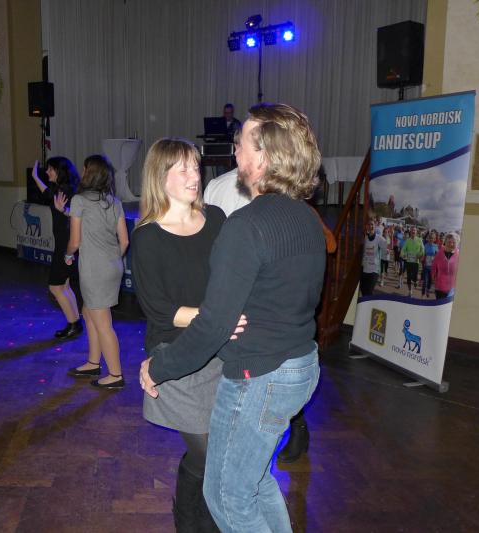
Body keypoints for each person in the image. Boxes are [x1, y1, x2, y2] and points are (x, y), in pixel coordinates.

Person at [140, 103, 326, 532]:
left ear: (262, 156)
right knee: (255, 482)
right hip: (300, 365)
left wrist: (159, 367)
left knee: (227, 497)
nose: (235, 150)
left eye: (241, 143)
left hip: (259, 378)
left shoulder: (244, 225)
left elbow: (213, 325)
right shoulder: (304, 216)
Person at [204, 158, 336, 467]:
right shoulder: (221, 189)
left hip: (266, 337)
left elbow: (328, 244)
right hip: (254, 330)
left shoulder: (286, 203)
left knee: (239, 474)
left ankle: (293, 428)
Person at [132, 138, 232, 531]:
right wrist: (217, 318)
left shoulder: (217, 218)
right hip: (176, 355)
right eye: (183, 169)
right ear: (160, 177)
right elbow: (161, 310)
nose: (195, 176)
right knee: (208, 452)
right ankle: (193, 521)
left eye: (196, 166)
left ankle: (190, 516)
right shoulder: (147, 236)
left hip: (221, 349)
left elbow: (232, 278)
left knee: (216, 451)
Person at [65, 155, 128, 389]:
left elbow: (74, 241)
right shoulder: (114, 202)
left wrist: (67, 255)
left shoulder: (79, 200)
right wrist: (111, 259)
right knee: (88, 312)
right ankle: (93, 362)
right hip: (113, 265)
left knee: (103, 323)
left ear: (88, 172)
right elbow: (124, 241)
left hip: (94, 269)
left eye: (84, 169)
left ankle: (116, 375)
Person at [31, 157, 82, 339]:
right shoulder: (64, 189)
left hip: (65, 246)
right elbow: (47, 194)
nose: (47, 172)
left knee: (55, 287)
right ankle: (75, 323)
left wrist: (64, 211)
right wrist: (35, 177)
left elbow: (74, 215)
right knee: (64, 286)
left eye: (50, 169)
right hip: (65, 243)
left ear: (59, 171)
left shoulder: (65, 191)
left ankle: (73, 324)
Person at [432, 233, 460, 300]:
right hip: (440, 287)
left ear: (457, 244)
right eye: (449, 242)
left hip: (453, 289)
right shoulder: (439, 253)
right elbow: (433, 267)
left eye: (454, 242)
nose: (451, 244)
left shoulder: (459, 255)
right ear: (445, 242)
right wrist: (433, 279)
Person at [360, 220, 383, 296]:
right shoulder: (365, 237)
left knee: (369, 291)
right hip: (365, 268)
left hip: (374, 269)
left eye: (372, 224)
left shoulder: (379, 238)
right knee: (363, 290)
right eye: (369, 224)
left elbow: (388, 246)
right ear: (367, 226)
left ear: (375, 226)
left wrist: (387, 249)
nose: (371, 226)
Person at [401, 227, 425, 298]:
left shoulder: (419, 240)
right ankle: (410, 291)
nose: (413, 232)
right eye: (412, 230)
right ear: (410, 232)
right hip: (408, 261)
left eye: (414, 230)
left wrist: (420, 255)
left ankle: (415, 281)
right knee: (408, 277)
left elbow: (422, 249)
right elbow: (403, 249)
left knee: (414, 277)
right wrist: (403, 254)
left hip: (416, 262)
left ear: (416, 232)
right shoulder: (407, 240)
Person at [422, 231, 439, 297]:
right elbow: (424, 254)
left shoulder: (436, 246)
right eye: (430, 238)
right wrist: (422, 258)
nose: (431, 239)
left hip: (432, 268)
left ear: (434, 239)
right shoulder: (426, 245)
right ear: (428, 238)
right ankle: (423, 295)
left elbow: (437, 257)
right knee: (425, 281)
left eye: (432, 238)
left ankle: (428, 290)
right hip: (426, 266)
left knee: (430, 282)